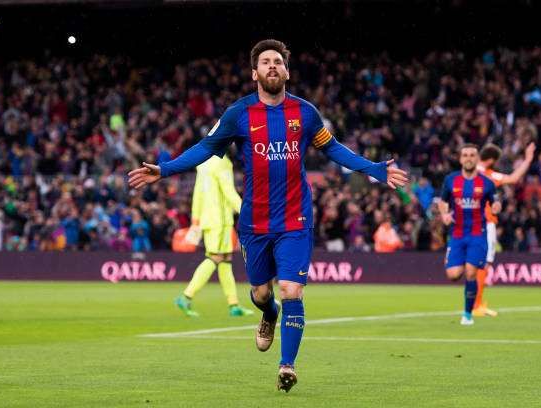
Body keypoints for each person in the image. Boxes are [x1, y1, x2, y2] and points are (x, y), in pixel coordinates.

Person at [128, 39, 408, 392]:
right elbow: (205, 147)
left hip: (295, 219)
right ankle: (268, 314)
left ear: (287, 71)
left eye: (278, 61)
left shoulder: (305, 113)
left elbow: (333, 148)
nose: (272, 66)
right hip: (255, 222)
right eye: (265, 62)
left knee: (292, 290)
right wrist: (165, 170)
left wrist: (375, 169)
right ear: (254, 73)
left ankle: (287, 366)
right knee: (261, 294)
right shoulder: (237, 114)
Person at [173, 153, 254, 317]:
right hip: (220, 220)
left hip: (207, 219)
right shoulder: (222, 163)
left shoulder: (203, 162)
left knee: (225, 260)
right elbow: (229, 192)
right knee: (216, 257)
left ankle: (233, 305)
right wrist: (247, 213)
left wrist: (195, 219)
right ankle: (186, 296)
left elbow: (198, 194)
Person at [439, 144, 500, 326]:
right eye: (465, 155)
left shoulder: (487, 183)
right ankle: (461, 261)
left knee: (471, 273)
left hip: (477, 234)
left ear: (477, 159)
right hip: (457, 234)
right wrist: (444, 214)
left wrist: (497, 207)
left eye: (472, 155)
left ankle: (467, 314)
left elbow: (496, 202)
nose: (468, 158)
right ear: (460, 159)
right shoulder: (450, 180)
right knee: (453, 274)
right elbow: (442, 202)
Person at [475, 142, 535, 317]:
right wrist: (528, 159)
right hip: (486, 223)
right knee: (484, 263)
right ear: (492, 160)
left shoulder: (471, 171)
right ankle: (476, 304)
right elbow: (513, 179)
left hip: (472, 222)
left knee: (479, 262)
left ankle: (476, 303)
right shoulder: (489, 174)